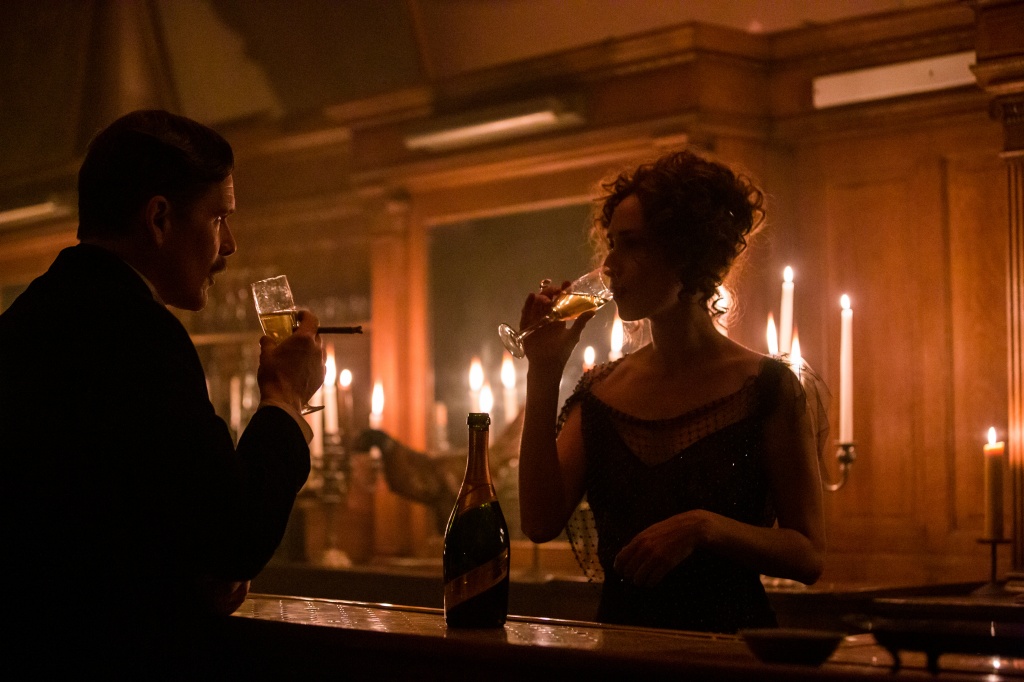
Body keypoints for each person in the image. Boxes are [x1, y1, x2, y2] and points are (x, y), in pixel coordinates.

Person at [0, 110, 324, 673]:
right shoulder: (141, 336)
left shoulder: (23, 321)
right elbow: (232, 537)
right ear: (159, 218)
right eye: (218, 218)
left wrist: (182, 574)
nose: (230, 245)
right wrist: (283, 397)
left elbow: (99, 523)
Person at [516, 150, 828, 633]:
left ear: (687, 253)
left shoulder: (767, 387)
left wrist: (705, 527)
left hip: (729, 652)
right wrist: (542, 372)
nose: (609, 265)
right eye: (611, 244)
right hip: (621, 652)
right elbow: (539, 522)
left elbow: (808, 555)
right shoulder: (603, 390)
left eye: (631, 244)